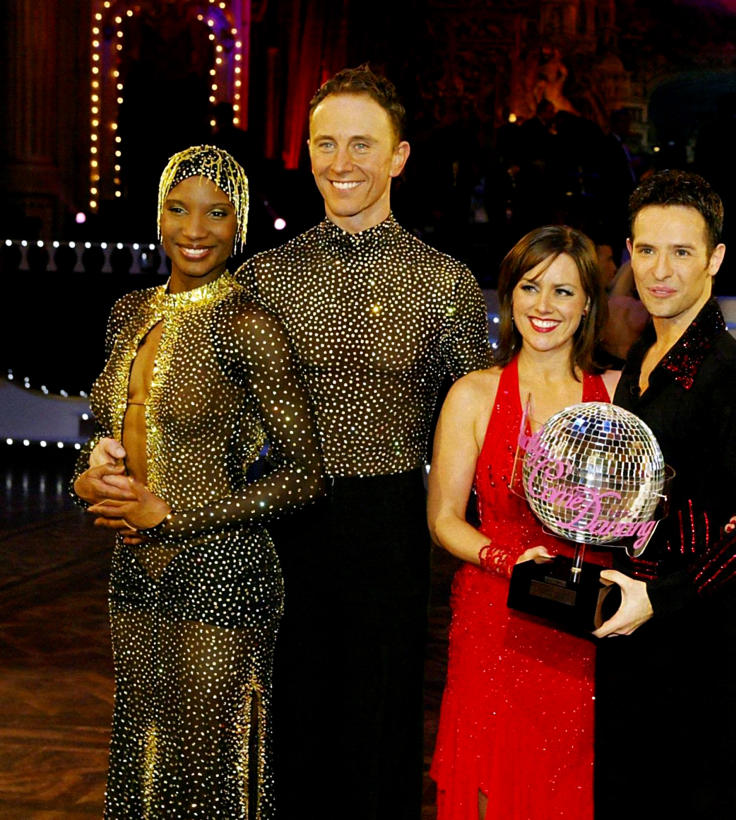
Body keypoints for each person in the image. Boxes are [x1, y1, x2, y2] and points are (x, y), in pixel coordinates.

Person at [234, 65, 493, 816]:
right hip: (283, 530)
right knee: (292, 721)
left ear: (399, 156)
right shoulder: (264, 279)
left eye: (361, 145)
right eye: (325, 144)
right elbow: (220, 414)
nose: (340, 163)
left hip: (388, 531)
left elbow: (473, 425)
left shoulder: (442, 282)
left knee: (378, 726)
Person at [72, 145, 324, 817]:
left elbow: (305, 473)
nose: (195, 229)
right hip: (132, 571)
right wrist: (89, 481)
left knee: (207, 768)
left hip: (224, 570)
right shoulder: (129, 311)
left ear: (238, 223)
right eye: (179, 210)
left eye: (216, 214)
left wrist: (174, 516)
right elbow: (104, 438)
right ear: (159, 215)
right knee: (141, 750)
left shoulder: (249, 324)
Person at [593, 169, 736, 819]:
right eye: (646, 250)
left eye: (682, 252)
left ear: (715, 259)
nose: (660, 270)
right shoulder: (641, 364)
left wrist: (661, 595)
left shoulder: (732, 374)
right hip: (633, 614)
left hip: (707, 630)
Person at [428, 225, 619, 819]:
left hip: (581, 629)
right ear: (509, 295)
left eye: (564, 291)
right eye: (531, 287)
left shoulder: (616, 394)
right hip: (493, 619)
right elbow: (442, 519)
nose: (545, 306)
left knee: (567, 787)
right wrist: (507, 561)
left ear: (588, 302)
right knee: (488, 784)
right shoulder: (472, 395)